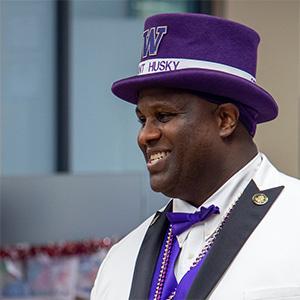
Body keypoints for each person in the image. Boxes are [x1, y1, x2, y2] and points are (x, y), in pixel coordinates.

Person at [91, 13, 300, 300]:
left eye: (163, 116)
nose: (145, 136)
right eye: (142, 120)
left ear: (225, 119)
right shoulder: (120, 259)